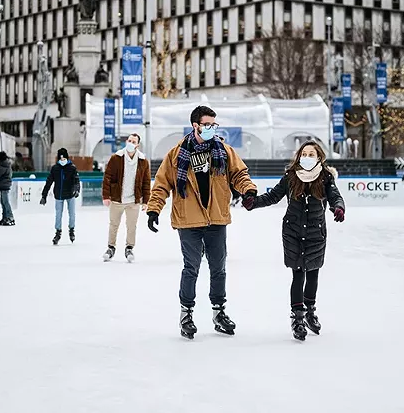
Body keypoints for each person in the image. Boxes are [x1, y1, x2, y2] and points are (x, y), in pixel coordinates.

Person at [146, 105, 257, 339]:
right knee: (191, 268)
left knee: (219, 269)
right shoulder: (176, 154)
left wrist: (248, 190)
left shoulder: (224, 151)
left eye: (214, 125)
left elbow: (239, 174)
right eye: (207, 125)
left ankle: (219, 312)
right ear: (195, 125)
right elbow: (162, 183)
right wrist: (154, 209)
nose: (212, 129)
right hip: (189, 220)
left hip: (216, 218)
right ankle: (186, 314)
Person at [242, 141, 345, 341]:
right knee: (298, 274)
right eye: (304, 153)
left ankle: (310, 312)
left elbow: (335, 196)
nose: (307, 157)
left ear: (319, 157)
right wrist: (253, 203)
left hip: (316, 233)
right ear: (299, 156)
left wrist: (338, 208)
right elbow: (273, 196)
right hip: (293, 232)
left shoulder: (325, 177)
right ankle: (297, 318)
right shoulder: (290, 177)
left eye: (311, 154)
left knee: (313, 273)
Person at [101, 133, 151, 262]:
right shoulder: (116, 158)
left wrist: (145, 201)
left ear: (137, 145)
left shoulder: (143, 161)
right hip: (117, 199)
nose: (130, 143)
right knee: (114, 225)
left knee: (131, 226)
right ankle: (111, 247)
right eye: (129, 140)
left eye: (133, 141)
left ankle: (129, 248)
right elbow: (107, 177)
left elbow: (146, 182)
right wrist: (106, 196)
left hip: (133, 201)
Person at [41, 148, 80, 245]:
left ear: (67, 157)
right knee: (58, 214)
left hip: (70, 194)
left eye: (64, 158)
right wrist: (44, 196)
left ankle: (71, 230)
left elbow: (76, 181)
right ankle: (58, 232)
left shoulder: (72, 168)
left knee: (72, 214)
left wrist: (76, 190)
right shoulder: (55, 168)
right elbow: (48, 182)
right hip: (58, 195)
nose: (62, 160)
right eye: (61, 159)